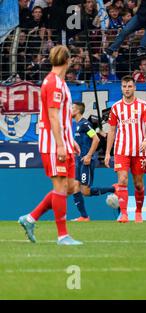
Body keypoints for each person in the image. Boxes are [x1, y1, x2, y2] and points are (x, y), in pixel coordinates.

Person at [18, 45, 82, 245]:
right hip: (54, 144)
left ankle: (30, 218)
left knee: (70, 187)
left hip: (63, 141)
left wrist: (70, 141)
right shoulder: (53, 83)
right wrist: (61, 145)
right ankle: (62, 235)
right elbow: (53, 116)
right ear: (68, 61)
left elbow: (62, 118)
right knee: (61, 187)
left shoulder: (60, 83)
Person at [104, 76, 146, 223]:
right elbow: (111, 131)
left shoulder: (143, 106)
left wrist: (145, 140)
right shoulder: (116, 108)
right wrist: (108, 152)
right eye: (124, 86)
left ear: (135, 87)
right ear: (121, 88)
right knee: (123, 179)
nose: (127, 89)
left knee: (138, 183)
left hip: (139, 150)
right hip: (121, 149)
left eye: (129, 86)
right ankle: (124, 214)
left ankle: (138, 212)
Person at [71, 102, 116, 222]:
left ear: (77, 111)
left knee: (85, 191)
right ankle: (84, 216)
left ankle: (114, 189)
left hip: (87, 161)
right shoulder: (77, 125)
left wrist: (89, 155)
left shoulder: (85, 124)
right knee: (75, 186)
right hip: (78, 161)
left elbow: (95, 139)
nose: (69, 110)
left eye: (72, 108)